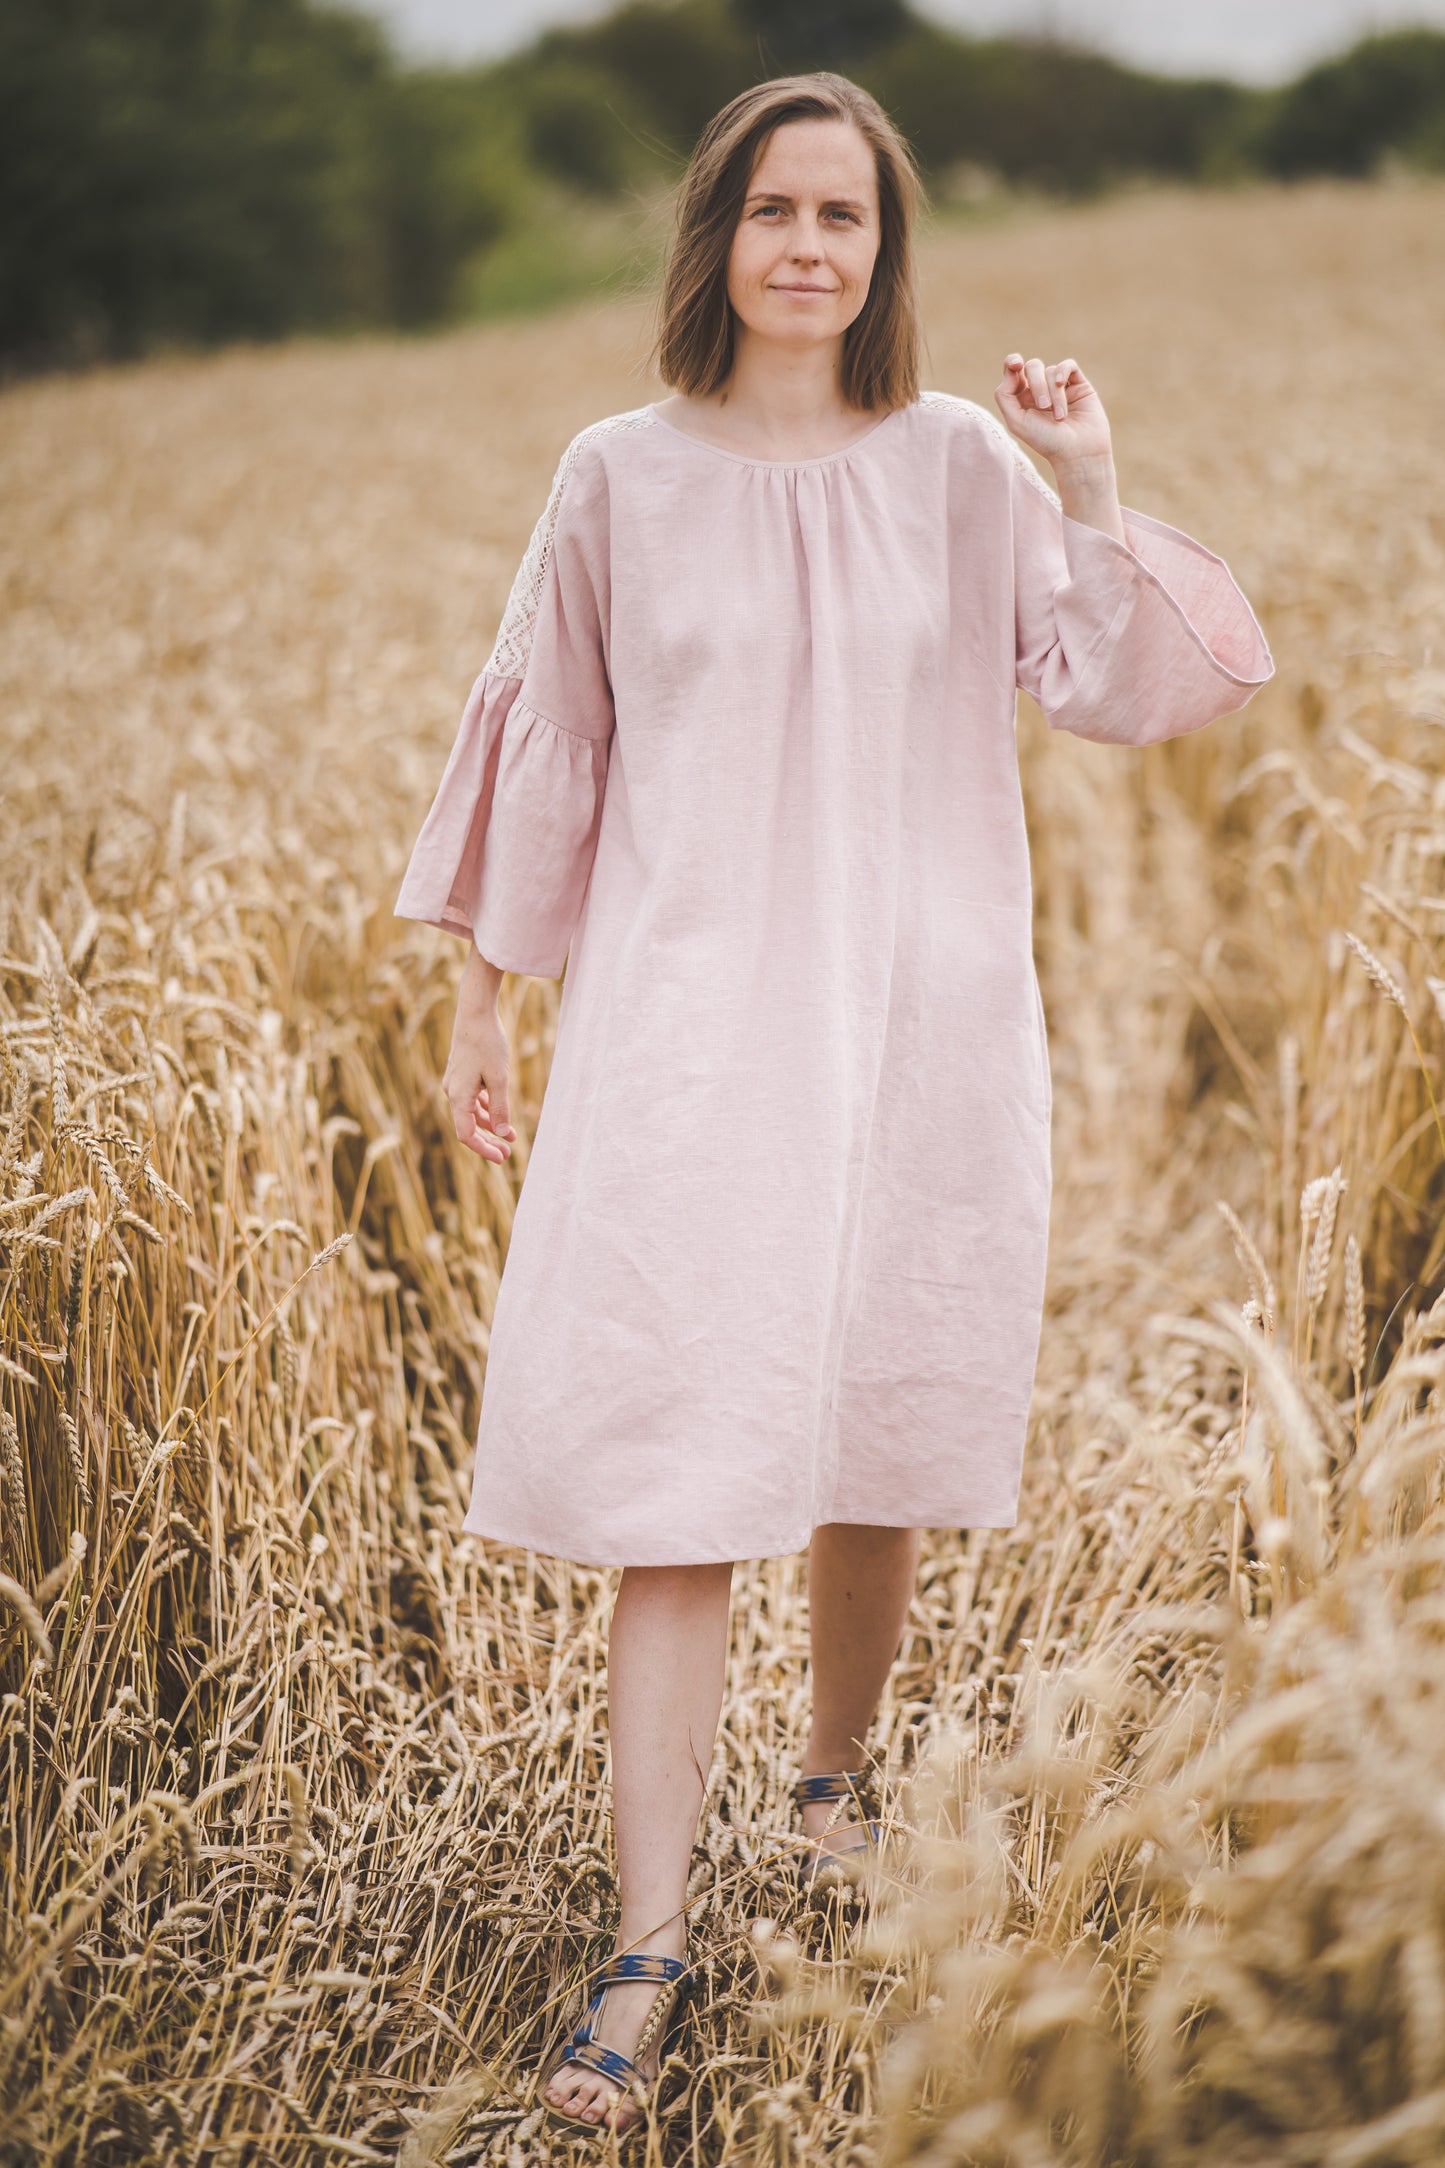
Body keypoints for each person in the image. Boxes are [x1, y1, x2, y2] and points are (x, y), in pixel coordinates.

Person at [394, 70, 1273, 2139]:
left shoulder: (958, 461)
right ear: (716, 236)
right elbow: (553, 742)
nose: (809, 245)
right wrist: (482, 1010)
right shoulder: (615, 474)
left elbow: (1118, 684)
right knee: (684, 1465)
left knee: (873, 1411)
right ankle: (648, 1936)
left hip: (917, 1014)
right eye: (776, 209)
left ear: (884, 254)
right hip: (688, 1033)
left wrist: (1088, 474)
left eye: (846, 218)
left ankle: (829, 1799)